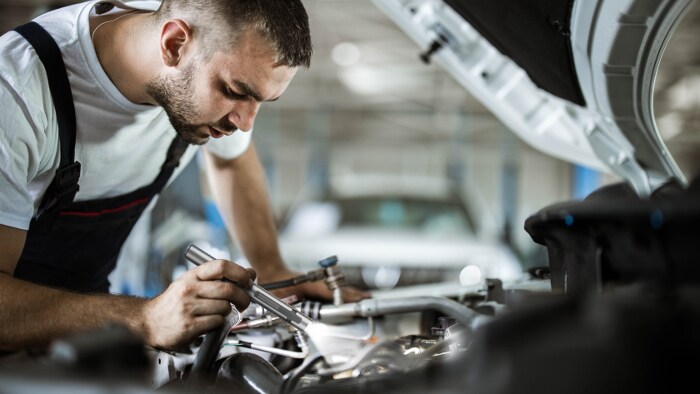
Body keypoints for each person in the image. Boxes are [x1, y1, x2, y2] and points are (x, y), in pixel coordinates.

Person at [0, 0, 368, 352]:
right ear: (174, 44)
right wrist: (144, 318)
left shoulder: (206, 39)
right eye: (236, 92)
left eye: (260, 102)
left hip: (84, 329)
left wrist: (272, 270)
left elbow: (232, 161)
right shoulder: (17, 91)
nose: (245, 124)